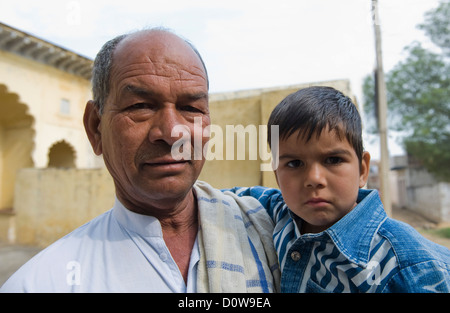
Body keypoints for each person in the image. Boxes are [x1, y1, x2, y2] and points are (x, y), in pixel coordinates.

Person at [1, 28, 280, 292]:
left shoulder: (275, 233)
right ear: (96, 127)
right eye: (141, 107)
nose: (172, 133)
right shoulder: (44, 282)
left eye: (190, 108)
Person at [227, 86, 450, 292]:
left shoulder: (408, 267)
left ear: (363, 170)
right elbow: (209, 197)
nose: (314, 179)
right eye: (294, 164)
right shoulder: (275, 210)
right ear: (277, 175)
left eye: (333, 160)